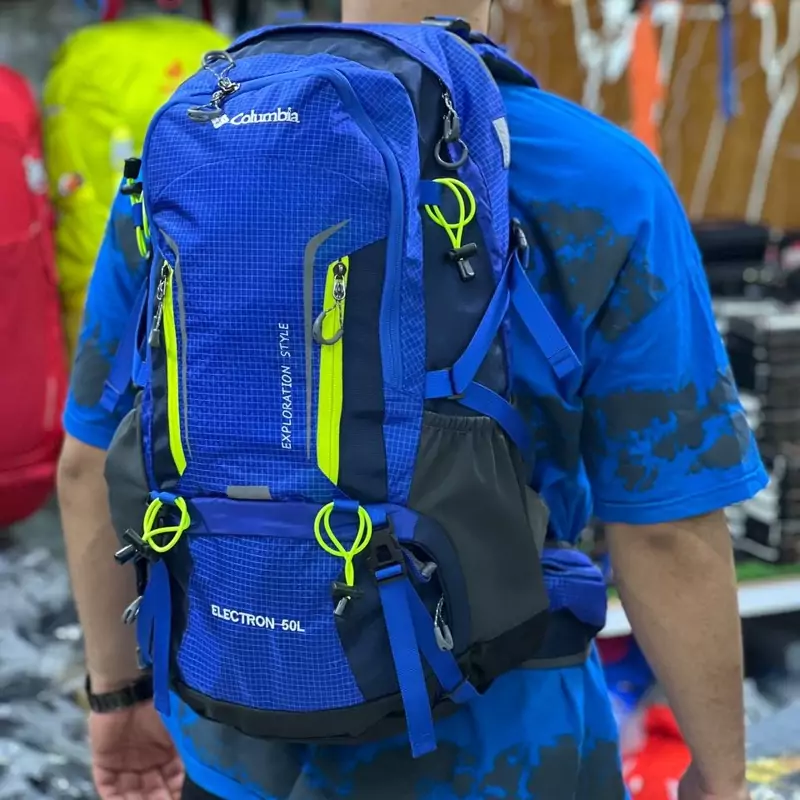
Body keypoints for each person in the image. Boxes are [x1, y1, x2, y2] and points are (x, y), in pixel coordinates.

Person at [57, 1, 764, 798]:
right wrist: (721, 778)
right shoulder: (597, 174)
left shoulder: (194, 144)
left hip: (235, 734)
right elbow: (667, 531)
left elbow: (88, 464)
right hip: (511, 755)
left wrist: (117, 693)